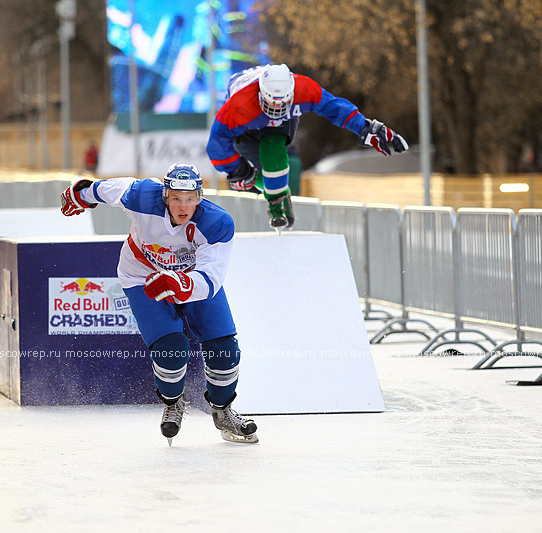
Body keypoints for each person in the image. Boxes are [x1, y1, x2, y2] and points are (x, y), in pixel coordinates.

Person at [60, 163, 258, 446]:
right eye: (176, 197)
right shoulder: (142, 195)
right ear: (165, 195)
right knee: (171, 349)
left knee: (224, 348)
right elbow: (107, 189)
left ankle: (223, 410)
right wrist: (80, 194)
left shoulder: (217, 223)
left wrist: (178, 284)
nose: (183, 206)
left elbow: (212, 277)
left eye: (190, 199)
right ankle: (173, 402)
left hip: (192, 280)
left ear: (200, 197)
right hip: (142, 276)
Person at [206, 63, 409, 229]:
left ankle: (276, 203)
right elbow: (216, 144)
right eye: (271, 102)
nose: (276, 108)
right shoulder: (238, 105)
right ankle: (275, 193)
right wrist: (235, 168)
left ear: (292, 94)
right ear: (260, 94)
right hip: (247, 126)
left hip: (278, 123)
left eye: (281, 102)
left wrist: (365, 127)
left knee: (273, 150)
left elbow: (334, 107)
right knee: (250, 176)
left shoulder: (304, 89)